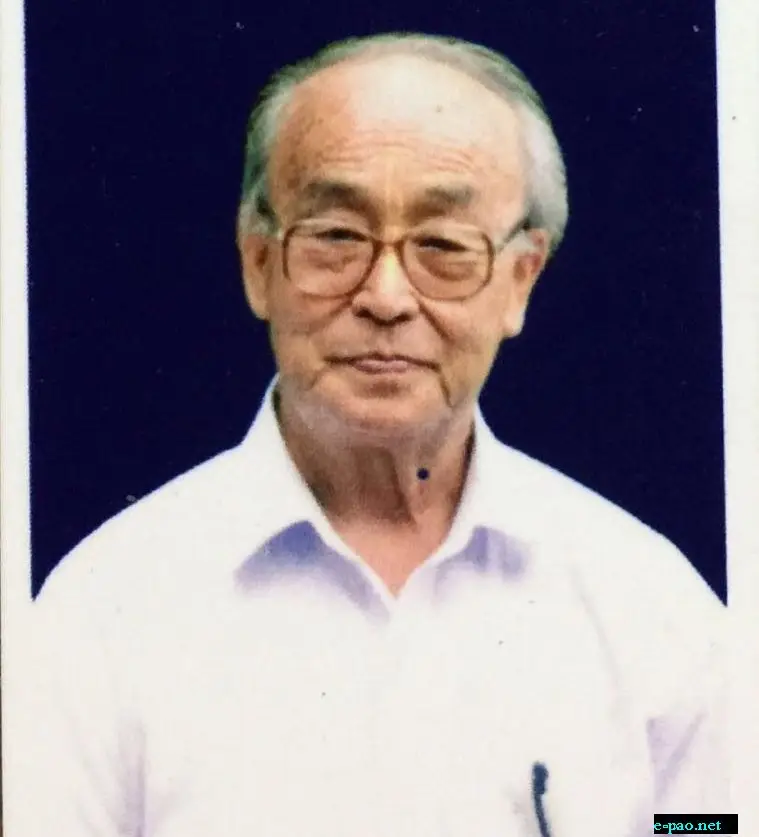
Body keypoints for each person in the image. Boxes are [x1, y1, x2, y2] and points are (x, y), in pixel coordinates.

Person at [23, 33, 725, 837]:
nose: (386, 296)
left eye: (443, 246)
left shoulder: (651, 608)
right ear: (257, 262)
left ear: (519, 280)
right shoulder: (103, 611)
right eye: (336, 237)